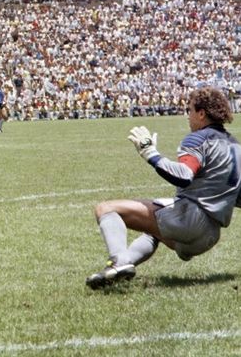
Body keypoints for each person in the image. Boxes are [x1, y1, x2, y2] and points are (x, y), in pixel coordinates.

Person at [86, 86, 241, 290]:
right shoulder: (235, 146)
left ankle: (120, 262)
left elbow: (183, 176)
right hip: (210, 236)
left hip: (190, 221)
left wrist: (151, 154)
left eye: (190, 110)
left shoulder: (198, 139)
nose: (188, 116)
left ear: (201, 114)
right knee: (153, 231)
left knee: (106, 209)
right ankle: (118, 269)